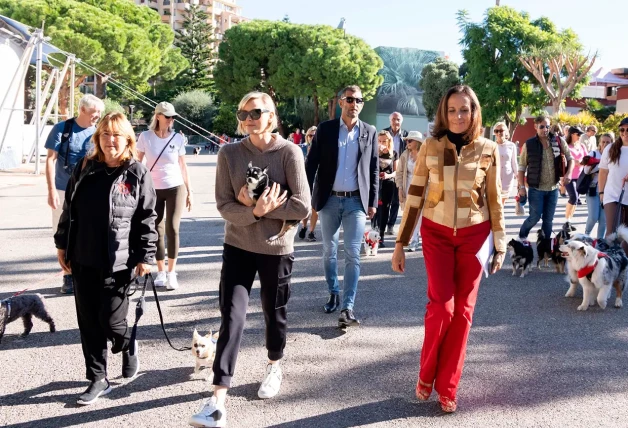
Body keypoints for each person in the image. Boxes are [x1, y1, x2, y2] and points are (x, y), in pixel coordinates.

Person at [189, 92, 310, 427]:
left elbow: (302, 206)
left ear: (271, 116)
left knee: (275, 314)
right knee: (232, 319)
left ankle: (274, 364)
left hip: (276, 249)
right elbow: (224, 205)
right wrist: (255, 211)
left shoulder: (289, 152)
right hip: (239, 246)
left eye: (256, 112)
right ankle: (217, 401)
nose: (249, 118)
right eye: (242, 113)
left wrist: (265, 207)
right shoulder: (229, 153)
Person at [391, 85, 505, 413]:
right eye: (452, 110)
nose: (457, 116)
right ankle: (426, 374)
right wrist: (400, 243)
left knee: (464, 314)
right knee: (442, 306)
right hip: (437, 232)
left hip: (475, 235)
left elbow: (495, 200)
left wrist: (500, 243)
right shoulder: (430, 146)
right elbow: (414, 196)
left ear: (473, 113)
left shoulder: (488, 148)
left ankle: (447, 385)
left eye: (464, 110)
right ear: (444, 112)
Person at [54, 112, 157, 405]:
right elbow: (68, 209)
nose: (110, 141)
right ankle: (98, 379)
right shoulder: (85, 167)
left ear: (127, 139)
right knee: (88, 322)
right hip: (82, 256)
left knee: (111, 322)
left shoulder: (137, 173)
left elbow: (148, 218)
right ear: (98, 138)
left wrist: (146, 256)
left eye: (116, 135)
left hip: (120, 263)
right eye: (105, 134)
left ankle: (127, 343)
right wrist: (62, 244)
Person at [305, 85, 378, 327]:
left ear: (362, 104)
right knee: (329, 251)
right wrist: (305, 195)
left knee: (353, 254)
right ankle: (333, 291)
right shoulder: (325, 130)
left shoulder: (370, 131)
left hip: (356, 201)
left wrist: (372, 201)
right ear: (340, 102)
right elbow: (311, 163)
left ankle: (348, 307)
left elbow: (373, 168)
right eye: (349, 99)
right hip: (328, 200)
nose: (353, 104)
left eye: (358, 100)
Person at [45, 94, 104, 294]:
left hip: (89, 191)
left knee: (86, 231)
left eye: (99, 113)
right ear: (82, 110)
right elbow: (50, 160)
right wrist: (51, 190)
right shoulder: (62, 129)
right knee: (64, 233)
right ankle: (67, 276)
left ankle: (83, 272)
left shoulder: (98, 132)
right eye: (95, 112)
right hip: (63, 188)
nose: (97, 116)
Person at [137, 102, 193, 290]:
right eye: (167, 116)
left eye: (172, 117)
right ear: (158, 116)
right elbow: (138, 163)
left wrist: (189, 191)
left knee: (172, 228)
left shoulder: (177, 138)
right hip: (153, 189)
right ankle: (160, 271)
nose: (171, 120)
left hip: (175, 187)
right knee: (156, 230)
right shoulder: (145, 137)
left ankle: (171, 273)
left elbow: (183, 166)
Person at [517, 115, 574, 243]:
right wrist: (521, 187)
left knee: (548, 220)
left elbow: (571, 159)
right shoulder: (529, 144)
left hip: (553, 188)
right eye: (542, 126)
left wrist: (568, 174)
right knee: (534, 217)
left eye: (547, 126)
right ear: (535, 126)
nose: (545, 129)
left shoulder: (558, 141)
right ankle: (521, 237)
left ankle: (546, 244)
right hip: (536, 189)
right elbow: (521, 167)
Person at [599, 118, 628, 251]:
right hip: (611, 194)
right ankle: (607, 264)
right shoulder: (611, 148)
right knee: (610, 232)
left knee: (626, 234)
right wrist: (601, 192)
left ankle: (624, 266)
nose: (625, 133)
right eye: (622, 130)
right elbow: (603, 172)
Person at [396, 131, 423, 251]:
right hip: (408, 186)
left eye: (410, 140)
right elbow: (399, 173)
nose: (407, 142)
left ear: (417, 142)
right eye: (407, 140)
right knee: (409, 214)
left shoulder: (425, 154)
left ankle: (415, 239)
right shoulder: (405, 155)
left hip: (422, 187)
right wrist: (400, 188)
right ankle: (410, 237)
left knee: (419, 214)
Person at [383, 112, 408, 235]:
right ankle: (380, 223)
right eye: (393, 119)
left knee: (396, 200)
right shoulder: (383, 133)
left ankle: (391, 225)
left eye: (398, 119)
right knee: (383, 199)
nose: (395, 122)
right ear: (390, 121)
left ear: (401, 121)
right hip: (385, 170)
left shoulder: (406, 135)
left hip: (400, 171)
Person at [582, 133, 612, 238]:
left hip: (608, 191)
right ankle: (586, 236)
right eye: (603, 142)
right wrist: (602, 165)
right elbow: (586, 170)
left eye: (608, 142)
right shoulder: (594, 154)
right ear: (599, 143)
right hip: (593, 189)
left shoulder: (614, 155)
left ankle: (600, 242)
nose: (605, 144)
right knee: (593, 217)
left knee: (603, 220)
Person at [376, 130, 398, 247]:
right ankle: (373, 233)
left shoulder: (394, 153)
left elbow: (396, 171)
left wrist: (387, 175)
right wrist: (376, 152)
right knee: (375, 210)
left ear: (389, 141)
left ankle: (381, 236)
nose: (382, 143)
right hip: (375, 184)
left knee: (385, 210)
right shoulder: (373, 153)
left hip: (388, 184)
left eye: (384, 141)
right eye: (379, 140)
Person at [299, 126, 319, 241]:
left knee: (314, 206)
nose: (313, 137)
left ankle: (311, 231)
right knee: (306, 205)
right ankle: (304, 226)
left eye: (315, 135)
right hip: (305, 179)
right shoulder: (302, 149)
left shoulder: (322, 149)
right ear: (307, 137)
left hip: (318, 179)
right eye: (311, 135)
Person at [564, 126, 587, 220]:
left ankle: (569, 220)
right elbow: (566, 160)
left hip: (580, 176)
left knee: (576, 199)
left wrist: (583, 161)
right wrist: (576, 162)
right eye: (578, 134)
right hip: (569, 176)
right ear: (572, 134)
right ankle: (567, 220)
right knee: (573, 197)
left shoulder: (582, 146)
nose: (580, 136)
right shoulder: (566, 146)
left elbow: (587, 157)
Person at [493, 122, 518, 206]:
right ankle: (499, 218)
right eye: (496, 131)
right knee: (496, 201)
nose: (499, 133)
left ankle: (500, 217)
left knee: (502, 202)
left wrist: (518, 179)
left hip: (507, 178)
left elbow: (514, 163)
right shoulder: (492, 146)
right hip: (495, 178)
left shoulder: (511, 146)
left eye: (501, 130)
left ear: (506, 132)